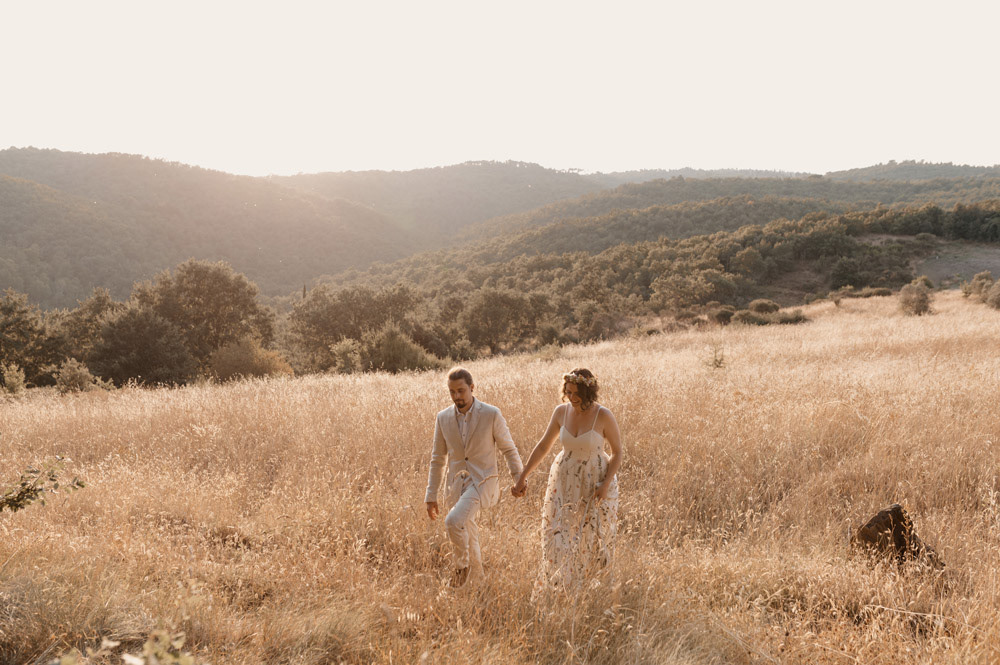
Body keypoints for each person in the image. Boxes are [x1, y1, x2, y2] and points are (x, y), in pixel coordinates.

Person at [512, 368, 622, 593]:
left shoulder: (603, 415)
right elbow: (544, 446)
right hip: (563, 479)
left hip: (595, 481)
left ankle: (594, 591)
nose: (571, 398)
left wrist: (605, 485)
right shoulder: (561, 412)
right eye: (568, 392)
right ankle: (561, 585)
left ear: (588, 391)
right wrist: (522, 477)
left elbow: (618, 452)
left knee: (592, 537)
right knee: (558, 532)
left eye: (575, 393)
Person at [425, 367, 524, 587]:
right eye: (452, 392)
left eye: (461, 390)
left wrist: (519, 477)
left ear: (472, 388)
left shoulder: (491, 414)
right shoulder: (442, 418)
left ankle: (460, 568)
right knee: (469, 533)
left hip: (482, 482)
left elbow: (508, 449)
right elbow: (437, 459)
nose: (456, 396)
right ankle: (478, 585)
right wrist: (431, 494)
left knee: (453, 521)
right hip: (455, 485)